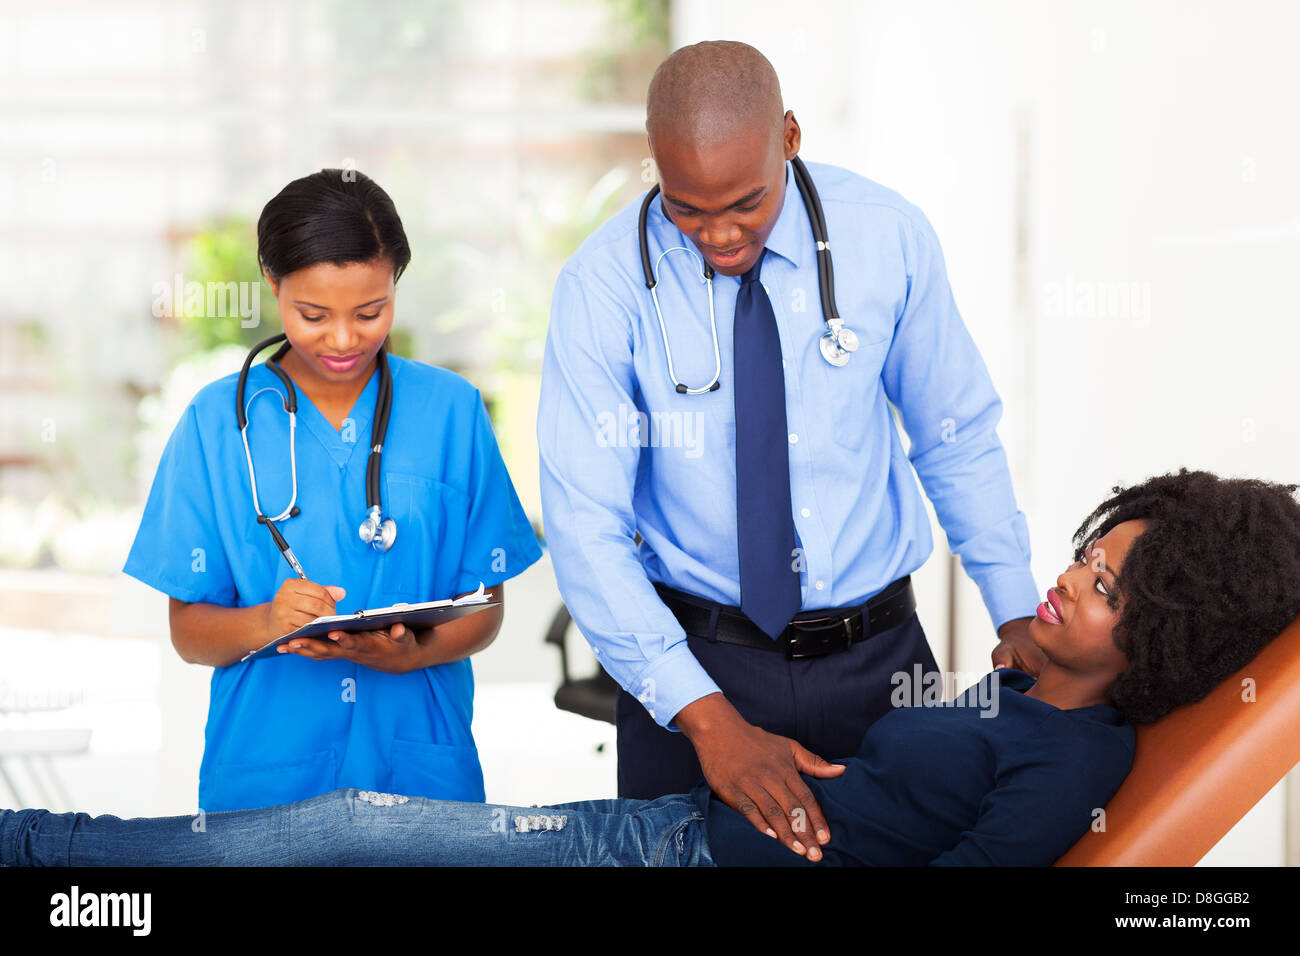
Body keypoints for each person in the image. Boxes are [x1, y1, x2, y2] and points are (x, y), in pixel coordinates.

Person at [9, 469, 1299, 866]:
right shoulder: (1022, 685)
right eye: (1090, 553)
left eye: (1107, 585)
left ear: (1167, 636)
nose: (1071, 576)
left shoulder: (1071, 757)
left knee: (352, 830)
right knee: (355, 834)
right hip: (676, 826)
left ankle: (37, 846)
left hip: (675, 857)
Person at [536, 39, 1043, 846]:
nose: (720, 235)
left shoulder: (887, 239)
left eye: (745, 202)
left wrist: (1016, 609)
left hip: (882, 663)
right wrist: (707, 721)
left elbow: (954, 437)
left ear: (791, 138)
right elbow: (584, 523)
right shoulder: (602, 288)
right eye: (686, 208)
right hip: (694, 663)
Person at [120, 169, 542, 812]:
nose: (344, 339)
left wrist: (410, 656)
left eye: (370, 312)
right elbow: (189, 632)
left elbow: (486, 605)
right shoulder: (215, 423)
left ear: (396, 284)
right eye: (312, 314)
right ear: (273, 286)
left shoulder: (451, 411)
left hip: (420, 770)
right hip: (266, 774)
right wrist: (265, 622)